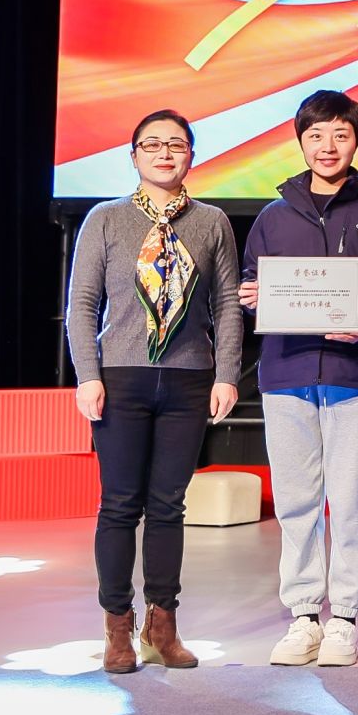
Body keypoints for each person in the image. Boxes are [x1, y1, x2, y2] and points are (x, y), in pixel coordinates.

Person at [65, 108, 241, 675]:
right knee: (120, 504)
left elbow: (228, 305)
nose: (165, 154)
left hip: (189, 380)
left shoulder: (212, 222)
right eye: (153, 145)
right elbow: (82, 305)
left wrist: (227, 373)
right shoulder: (105, 219)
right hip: (121, 378)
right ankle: (117, 626)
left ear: (191, 155)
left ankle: (161, 625)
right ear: (134, 155)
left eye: (176, 145)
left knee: (168, 505)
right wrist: (88, 375)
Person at [239, 89, 358, 669]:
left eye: (340, 134)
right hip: (286, 372)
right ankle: (303, 615)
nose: (327, 146)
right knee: (295, 500)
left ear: (355, 140)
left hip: (354, 372)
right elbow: (253, 281)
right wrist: (252, 295)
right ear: (301, 141)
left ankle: (345, 618)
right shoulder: (273, 217)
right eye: (315, 135)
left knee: (351, 499)